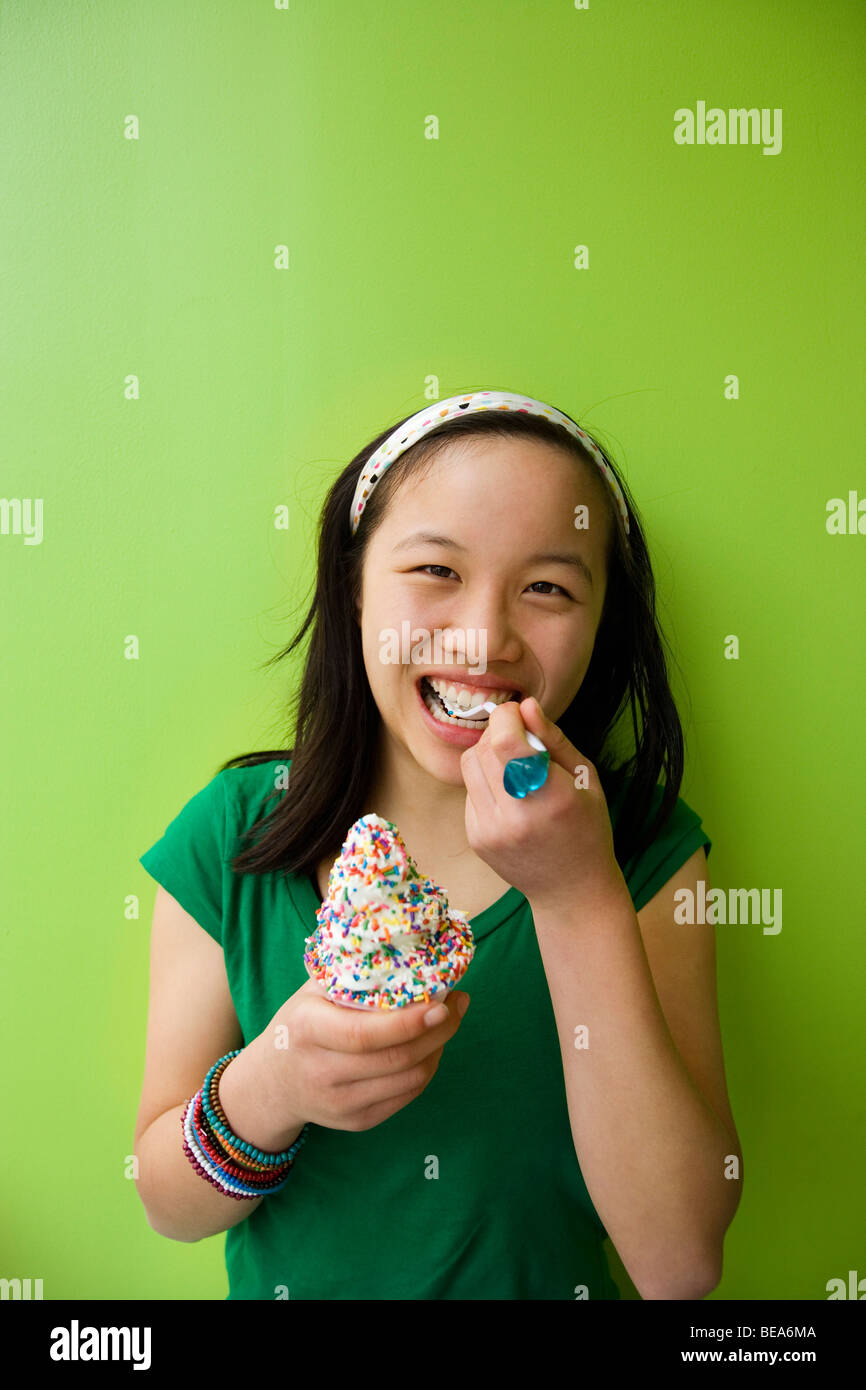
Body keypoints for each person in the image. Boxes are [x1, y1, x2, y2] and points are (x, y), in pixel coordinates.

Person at [133, 388, 742, 1300]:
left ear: (601, 622)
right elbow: (167, 1206)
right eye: (434, 571)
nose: (483, 638)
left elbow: (679, 1266)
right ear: (353, 585)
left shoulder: (643, 846)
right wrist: (272, 1088)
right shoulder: (233, 832)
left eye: (547, 587)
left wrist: (578, 895)